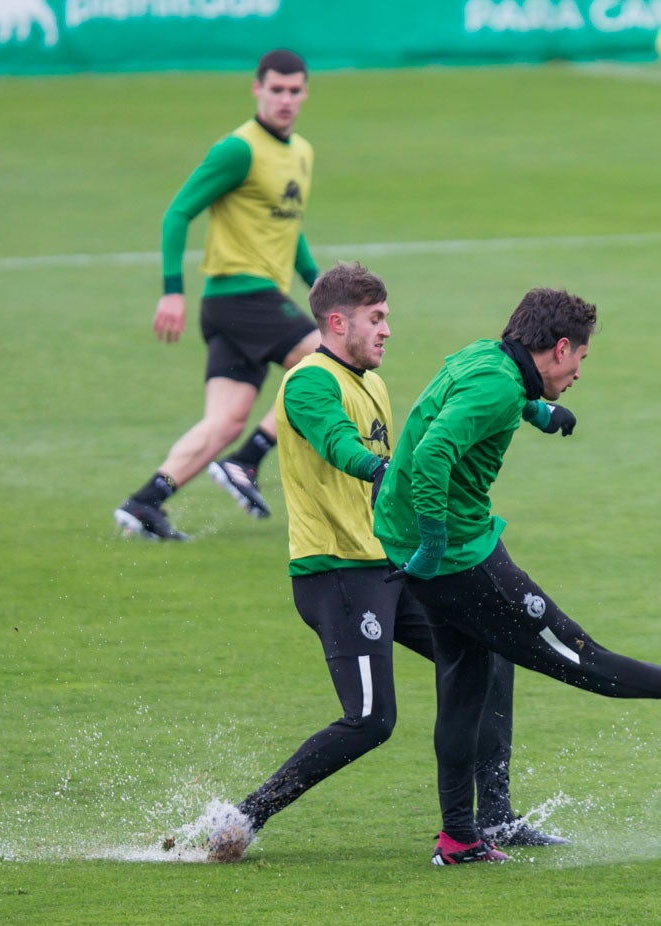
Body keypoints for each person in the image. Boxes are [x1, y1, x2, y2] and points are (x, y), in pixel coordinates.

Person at [373, 287, 661, 866]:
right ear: (559, 348)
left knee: (464, 684)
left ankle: (460, 837)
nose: (579, 371)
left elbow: (478, 397)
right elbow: (434, 453)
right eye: (580, 358)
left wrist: (540, 412)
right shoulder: (497, 385)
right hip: (454, 555)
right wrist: (435, 543)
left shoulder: (484, 357)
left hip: (411, 548)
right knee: (582, 656)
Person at [205, 262, 564, 863]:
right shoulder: (308, 382)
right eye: (376, 319)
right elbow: (339, 445)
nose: (387, 331)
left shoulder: (372, 381)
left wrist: (540, 412)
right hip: (337, 573)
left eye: (387, 318)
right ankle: (243, 816)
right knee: (371, 720)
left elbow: (473, 398)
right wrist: (386, 470)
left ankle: (495, 819)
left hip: (388, 571)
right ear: (337, 321)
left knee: (493, 656)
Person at [114, 48, 323, 541]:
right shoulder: (238, 150)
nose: (286, 99)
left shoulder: (302, 153)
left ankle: (147, 501)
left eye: (294, 91)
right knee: (328, 360)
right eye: (276, 89)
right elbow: (178, 213)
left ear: (305, 93)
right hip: (240, 297)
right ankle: (248, 462)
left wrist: (322, 289)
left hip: (249, 305)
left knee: (224, 422)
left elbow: (287, 231)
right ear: (257, 89)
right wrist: (171, 292)